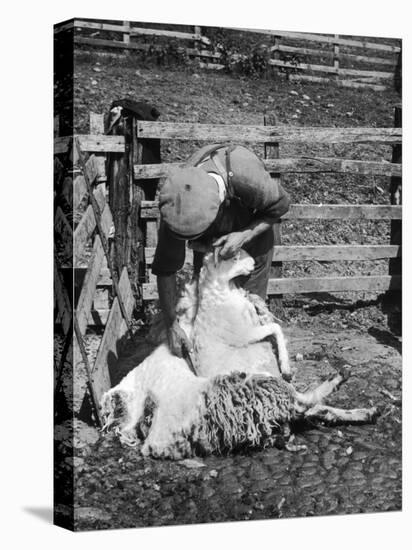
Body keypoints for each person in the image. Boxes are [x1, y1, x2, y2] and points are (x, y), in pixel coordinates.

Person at [151, 143, 290, 357]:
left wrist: (244, 235)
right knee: (209, 309)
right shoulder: (177, 206)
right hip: (211, 247)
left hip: (253, 236)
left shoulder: (246, 177)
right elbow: (166, 269)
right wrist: (172, 324)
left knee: (246, 314)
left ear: (216, 212)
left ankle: (252, 363)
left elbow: (280, 206)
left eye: (195, 237)